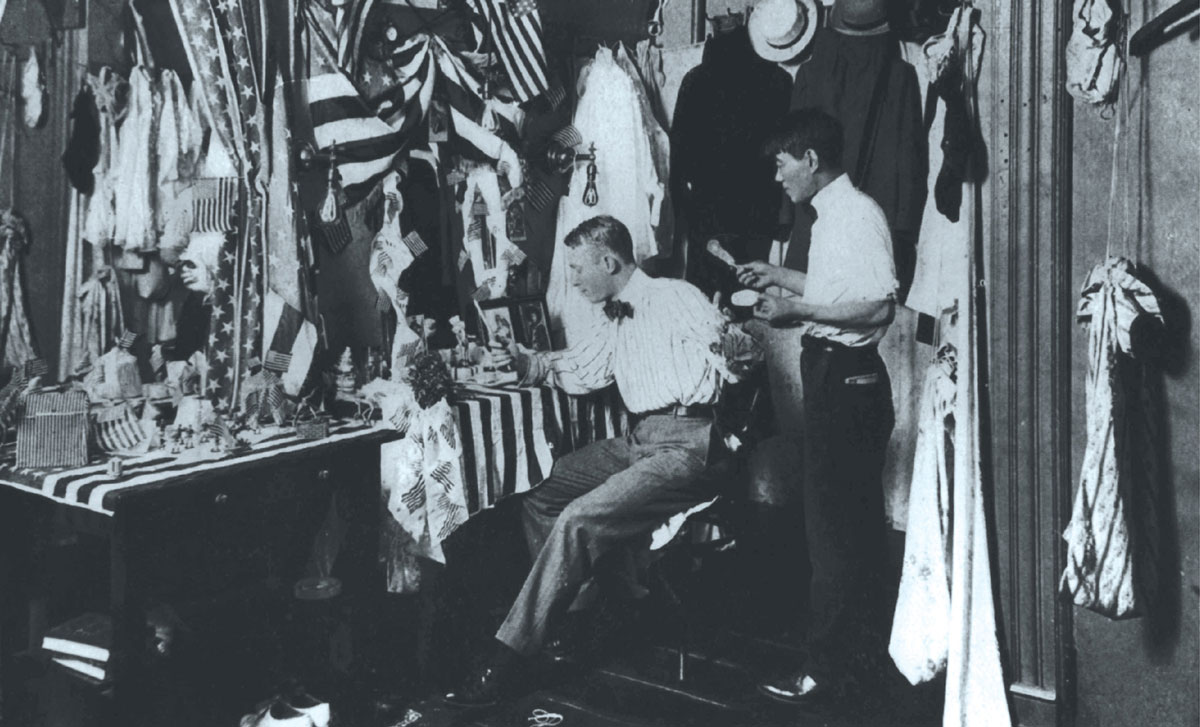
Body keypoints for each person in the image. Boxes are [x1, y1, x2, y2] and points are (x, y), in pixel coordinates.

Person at [446, 215, 726, 707]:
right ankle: (580, 607)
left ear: (608, 261)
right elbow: (586, 368)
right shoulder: (614, 313)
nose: (572, 280)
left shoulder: (675, 295)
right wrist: (527, 362)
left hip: (689, 442)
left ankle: (506, 657)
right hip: (640, 438)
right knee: (542, 493)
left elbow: (728, 352)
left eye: (578, 268)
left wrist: (738, 359)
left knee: (577, 520)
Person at [736, 108, 898, 705]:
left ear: (809, 160)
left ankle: (825, 671)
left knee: (832, 533)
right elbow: (840, 289)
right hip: (837, 377)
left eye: (782, 164)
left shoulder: (857, 215)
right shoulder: (834, 216)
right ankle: (855, 664)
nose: (778, 177)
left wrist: (798, 312)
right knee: (843, 528)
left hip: (849, 381)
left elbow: (878, 307)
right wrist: (781, 277)